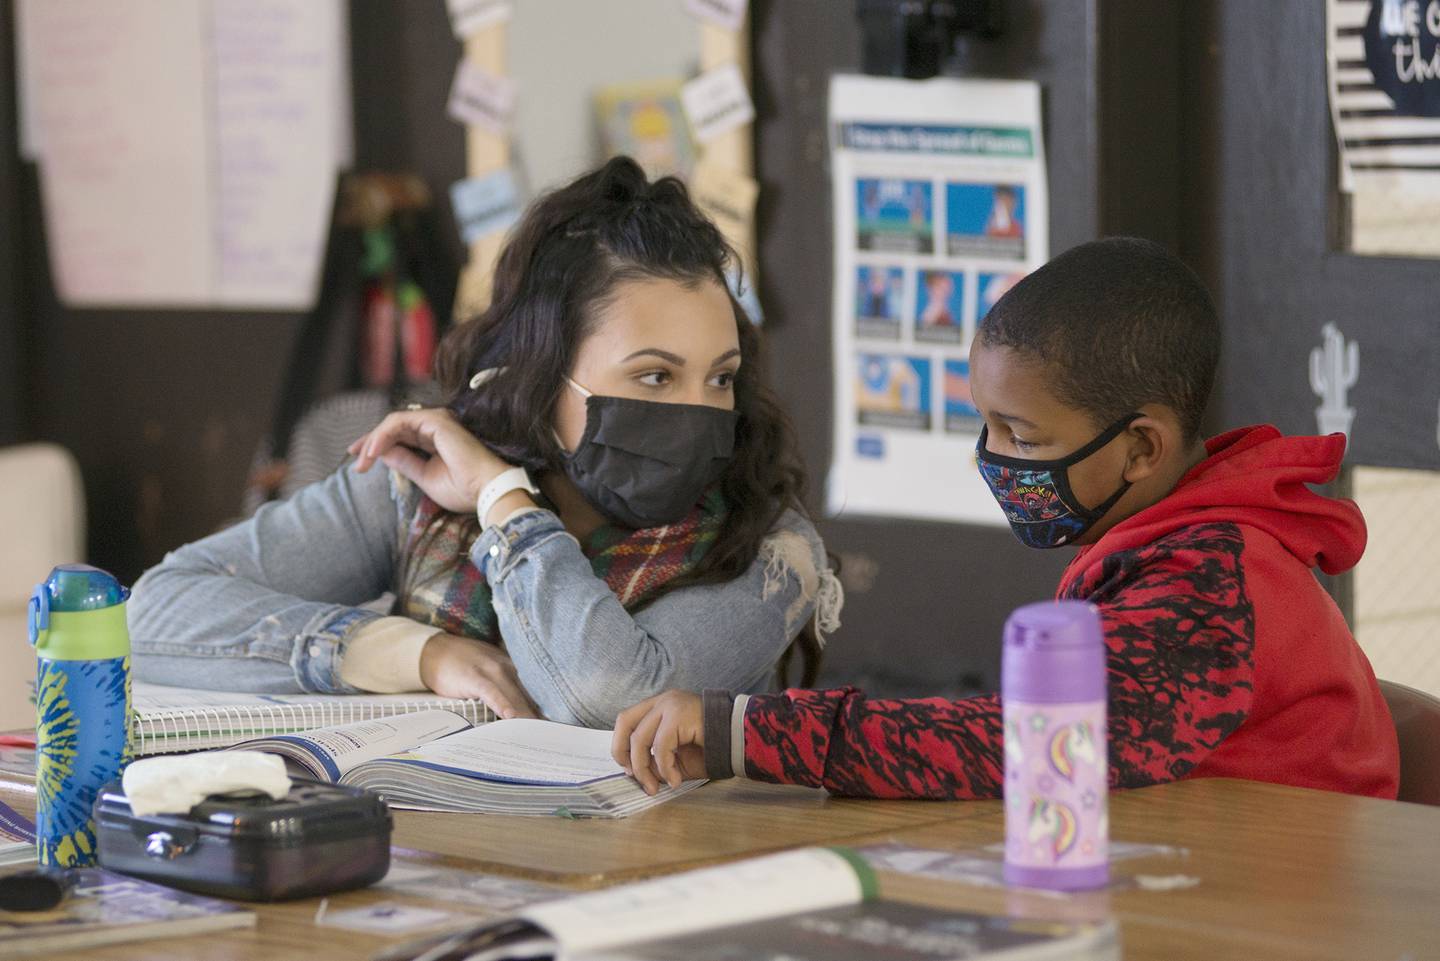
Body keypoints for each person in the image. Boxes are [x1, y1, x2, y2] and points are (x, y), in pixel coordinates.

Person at [612, 237, 1400, 801]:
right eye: (987, 424)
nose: (990, 457)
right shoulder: (1189, 542)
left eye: (1021, 435)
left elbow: (1026, 746)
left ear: (1140, 449)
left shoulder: (1211, 584)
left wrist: (741, 732)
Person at [129, 157, 841, 727]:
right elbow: (154, 615)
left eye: (720, 378)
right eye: (654, 375)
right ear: (544, 375)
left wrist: (505, 504)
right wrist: (417, 653)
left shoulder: (772, 549)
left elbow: (608, 696)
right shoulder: (420, 486)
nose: (697, 410)